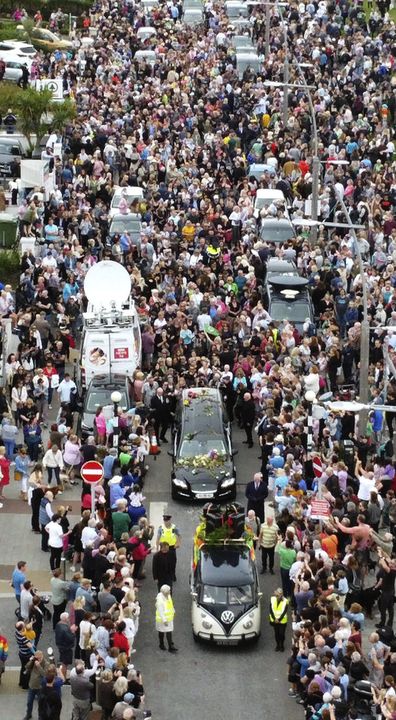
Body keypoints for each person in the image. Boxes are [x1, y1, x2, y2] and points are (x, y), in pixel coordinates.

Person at [23, 650, 50, 720]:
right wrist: (31, 660)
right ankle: (28, 714)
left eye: (39, 658)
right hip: (31, 686)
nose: (37, 659)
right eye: (36, 658)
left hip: (40, 687)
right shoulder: (34, 661)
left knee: (41, 704)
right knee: (29, 702)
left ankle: (41, 716)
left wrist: (39, 666)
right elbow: (26, 667)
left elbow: (45, 675)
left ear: (42, 656)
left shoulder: (46, 663)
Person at [156, 514, 181, 582]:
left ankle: (172, 574)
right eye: (165, 520)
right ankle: (164, 575)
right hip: (163, 546)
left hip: (172, 547)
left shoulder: (174, 527)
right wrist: (157, 547)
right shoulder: (161, 527)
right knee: (162, 561)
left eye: (167, 520)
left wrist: (178, 543)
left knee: (173, 562)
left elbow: (179, 535)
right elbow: (158, 538)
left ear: (170, 520)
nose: (166, 522)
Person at [155, 584, 178, 653]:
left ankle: (170, 646)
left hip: (169, 619)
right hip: (162, 620)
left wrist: (173, 610)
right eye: (169, 591)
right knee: (161, 632)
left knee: (169, 631)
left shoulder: (168, 596)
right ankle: (162, 644)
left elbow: (171, 604)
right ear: (165, 592)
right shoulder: (160, 601)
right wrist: (164, 620)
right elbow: (161, 611)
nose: (170, 591)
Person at [54, 612, 76, 676]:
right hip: (66, 647)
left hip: (61, 646)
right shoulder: (65, 629)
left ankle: (62, 674)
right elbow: (70, 638)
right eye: (68, 618)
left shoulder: (58, 624)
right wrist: (73, 632)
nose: (69, 619)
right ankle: (63, 677)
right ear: (66, 619)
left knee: (64, 662)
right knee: (65, 664)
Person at [269, 587, 289, 652]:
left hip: (282, 621)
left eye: (279, 595)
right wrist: (275, 619)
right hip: (274, 620)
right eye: (277, 595)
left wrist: (279, 619)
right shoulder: (272, 599)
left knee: (282, 634)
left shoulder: (286, 601)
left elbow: (284, 612)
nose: (278, 596)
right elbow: (271, 610)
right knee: (276, 634)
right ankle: (277, 645)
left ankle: (282, 645)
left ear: (282, 594)